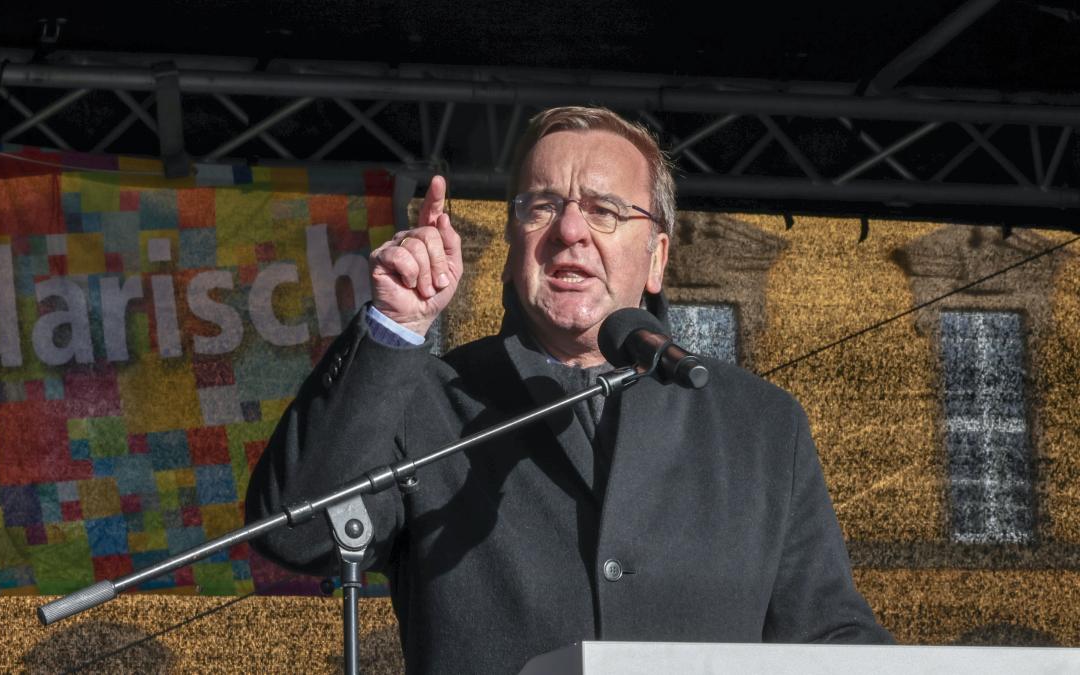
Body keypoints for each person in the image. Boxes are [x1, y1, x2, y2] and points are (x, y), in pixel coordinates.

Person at [246, 106, 893, 674]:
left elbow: (828, 636)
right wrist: (395, 325)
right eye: (543, 205)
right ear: (512, 244)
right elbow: (297, 534)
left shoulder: (758, 424)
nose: (570, 230)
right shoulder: (427, 400)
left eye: (606, 210)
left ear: (658, 257)